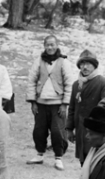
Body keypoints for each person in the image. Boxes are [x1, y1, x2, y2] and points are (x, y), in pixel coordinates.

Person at [26, 35, 75, 171]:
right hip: (41, 103)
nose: (50, 47)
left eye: (52, 44)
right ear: (44, 46)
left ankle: (58, 158)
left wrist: (65, 104)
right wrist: (33, 102)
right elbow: (31, 81)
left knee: (58, 132)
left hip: (58, 104)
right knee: (39, 130)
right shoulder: (39, 61)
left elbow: (69, 83)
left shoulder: (63, 62)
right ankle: (39, 154)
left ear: (57, 45)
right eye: (47, 45)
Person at [65, 50, 105, 164]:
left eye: (88, 64)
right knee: (84, 163)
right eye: (82, 64)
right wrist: (69, 129)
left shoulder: (103, 82)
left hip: (96, 134)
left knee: (96, 162)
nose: (85, 67)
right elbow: (72, 108)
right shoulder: (76, 85)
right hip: (81, 132)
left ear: (95, 65)